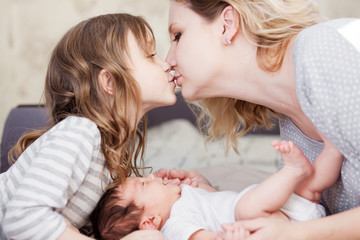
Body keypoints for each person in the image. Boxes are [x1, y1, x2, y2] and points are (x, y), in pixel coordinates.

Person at [164, 0, 360, 239]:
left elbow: (303, 228)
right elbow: (307, 211)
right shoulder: (291, 125)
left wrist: (298, 234)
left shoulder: (324, 53)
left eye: (177, 35)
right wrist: (206, 195)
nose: (168, 60)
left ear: (227, 25)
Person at [0, 13, 178, 240]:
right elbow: (22, 218)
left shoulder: (111, 153)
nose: (166, 64)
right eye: (151, 56)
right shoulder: (81, 133)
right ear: (110, 82)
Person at [91, 140, 327, 240]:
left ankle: (335, 148)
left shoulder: (184, 198)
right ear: (151, 222)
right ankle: (292, 170)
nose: (151, 176)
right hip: (261, 226)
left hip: (289, 216)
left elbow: (213, 198)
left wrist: (200, 181)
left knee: (312, 187)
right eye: (144, 184)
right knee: (245, 208)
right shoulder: (176, 226)